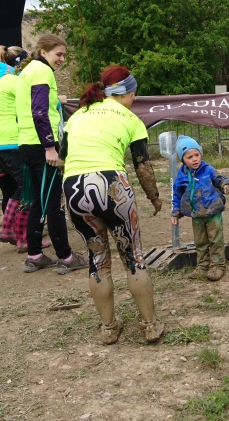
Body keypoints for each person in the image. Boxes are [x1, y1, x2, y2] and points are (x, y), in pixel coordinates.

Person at [62, 65, 165, 344]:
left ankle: (108, 328)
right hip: (111, 184)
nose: (135, 99)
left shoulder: (77, 116)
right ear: (126, 93)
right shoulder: (131, 119)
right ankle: (150, 325)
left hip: (73, 187)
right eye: (134, 94)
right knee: (133, 257)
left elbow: (62, 157)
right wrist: (154, 197)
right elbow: (143, 167)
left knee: (97, 260)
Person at [15, 34, 87, 274]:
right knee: (54, 204)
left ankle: (35, 255)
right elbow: (39, 112)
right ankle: (66, 257)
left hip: (27, 143)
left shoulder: (27, 71)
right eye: (59, 54)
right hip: (40, 146)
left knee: (39, 201)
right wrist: (49, 147)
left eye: (64, 55)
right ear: (43, 52)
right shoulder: (42, 72)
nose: (62, 59)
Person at [0, 45, 33, 252]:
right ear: (18, 64)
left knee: (19, 187)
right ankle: (17, 234)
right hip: (13, 140)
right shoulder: (13, 81)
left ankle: (13, 232)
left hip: (0, 143)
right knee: (25, 188)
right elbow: (34, 101)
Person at [171, 135, 229, 281]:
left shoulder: (208, 170)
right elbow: (177, 195)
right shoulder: (181, 176)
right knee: (200, 242)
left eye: (197, 155)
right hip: (196, 214)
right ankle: (203, 266)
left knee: (215, 240)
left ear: (201, 154)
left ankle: (218, 266)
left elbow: (219, 179)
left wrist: (226, 186)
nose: (195, 159)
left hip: (213, 212)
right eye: (189, 157)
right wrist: (175, 212)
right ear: (182, 160)